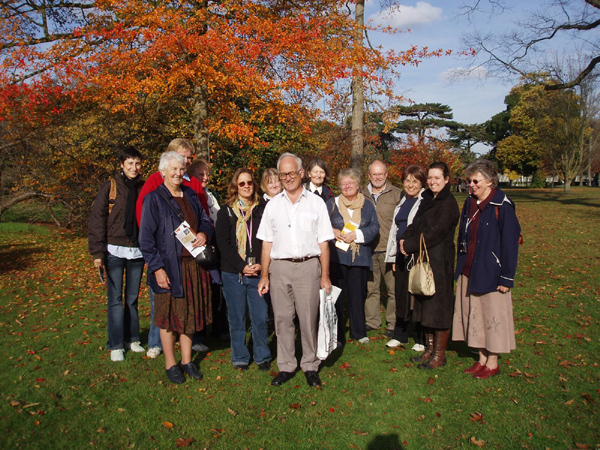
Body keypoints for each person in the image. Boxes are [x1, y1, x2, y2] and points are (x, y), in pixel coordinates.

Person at [257, 152, 334, 388]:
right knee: (282, 320)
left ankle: (310, 365)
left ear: (301, 173)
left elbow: (324, 242)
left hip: (308, 268)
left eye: (291, 173)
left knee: (308, 319)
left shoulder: (316, 203)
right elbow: (267, 242)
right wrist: (264, 275)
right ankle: (287, 365)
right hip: (279, 269)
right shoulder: (272, 205)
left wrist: (325, 274)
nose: (288, 178)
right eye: (283, 174)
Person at [139, 152, 214, 383]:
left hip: (193, 265)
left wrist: (203, 233)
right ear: (162, 172)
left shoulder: (190, 194)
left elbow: (205, 220)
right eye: (173, 169)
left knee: (189, 314)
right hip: (168, 267)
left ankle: (186, 360)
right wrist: (157, 268)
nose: (178, 173)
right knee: (168, 317)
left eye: (181, 169)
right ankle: (171, 364)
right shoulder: (154, 199)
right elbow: (146, 240)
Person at [452, 159, 521, 379]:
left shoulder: (503, 206)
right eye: (469, 181)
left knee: (492, 317)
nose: (471, 185)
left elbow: (510, 245)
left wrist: (506, 277)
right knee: (475, 316)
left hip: (492, 272)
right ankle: (481, 358)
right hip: (469, 268)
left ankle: (493, 362)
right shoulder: (470, 203)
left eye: (476, 181)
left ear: (490, 182)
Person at [399, 161, 459, 370]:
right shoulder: (427, 199)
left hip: (439, 262)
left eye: (437, 178)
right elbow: (414, 224)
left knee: (438, 308)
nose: (433, 181)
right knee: (424, 306)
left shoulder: (448, 204)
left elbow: (435, 233)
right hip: (423, 259)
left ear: (446, 179)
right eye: (430, 178)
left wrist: (411, 244)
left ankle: (439, 355)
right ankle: (429, 348)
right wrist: (404, 239)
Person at [88, 147, 146, 362]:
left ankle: (133, 338)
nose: (134, 167)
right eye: (129, 163)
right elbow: (97, 219)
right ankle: (115, 343)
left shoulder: (144, 187)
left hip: (137, 249)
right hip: (113, 249)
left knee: (132, 298)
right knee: (115, 298)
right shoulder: (110, 187)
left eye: (137, 163)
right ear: (121, 165)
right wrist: (97, 252)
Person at [216, 169, 271, 371]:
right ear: (235, 187)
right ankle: (239, 356)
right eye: (242, 183)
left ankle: (262, 355)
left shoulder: (263, 210)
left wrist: (263, 265)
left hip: (258, 272)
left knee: (261, 317)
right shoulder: (226, 212)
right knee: (237, 317)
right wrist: (241, 266)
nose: (246, 186)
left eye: (249, 182)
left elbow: (270, 239)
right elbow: (222, 244)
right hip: (233, 274)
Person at [327, 168, 379, 345]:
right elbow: (321, 225)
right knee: (337, 298)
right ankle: (337, 334)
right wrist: (332, 231)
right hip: (337, 258)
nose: (347, 186)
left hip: (359, 258)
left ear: (358, 185)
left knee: (358, 296)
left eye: (351, 183)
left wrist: (356, 235)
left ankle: (358, 331)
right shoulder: (332, 203)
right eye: (343, 183)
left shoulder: (367, 205)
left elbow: (374, 227)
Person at [384, 165, 427, 351]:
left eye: (415, 181)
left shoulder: (424, 202)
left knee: (416, 295)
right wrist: (393, 257)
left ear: (421, 183)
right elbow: (395, 230)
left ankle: (420, 337)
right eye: (407, 180)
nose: (410, 185)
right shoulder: (402, 201)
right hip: (401, 256)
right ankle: (400, 333)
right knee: (401, 295)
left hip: (415, 255)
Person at [188, 157, 229, 344]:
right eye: (200, 174)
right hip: (199, 248)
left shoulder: (211, 195)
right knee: (202, 290)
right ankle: (199, 333)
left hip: (216, 245)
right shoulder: (190, 194)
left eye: (207, 174)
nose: (205, 178)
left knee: (217, 288)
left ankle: (218, 329)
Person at [360, 160, 402, 336]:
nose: (377, 177)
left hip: (389, 250)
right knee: (371, 288)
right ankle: (372, 321)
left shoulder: (397, 194)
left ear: (386, 175)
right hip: (368, 249)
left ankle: (393, 323)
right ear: (369, 176)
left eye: (380, 174)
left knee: (393, 290)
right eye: (374, 174)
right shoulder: (361, 193)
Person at [188, 158, 220, 223]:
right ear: (192, 175)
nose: (205, 178)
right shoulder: (189, 195)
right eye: (201, 174)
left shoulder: (213, 195)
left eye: (208, 175)